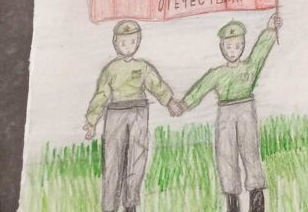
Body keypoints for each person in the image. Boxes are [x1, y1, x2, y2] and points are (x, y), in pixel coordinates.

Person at [182, 13, 282, 212]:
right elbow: (201, 88)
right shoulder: (218, 73)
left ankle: (257, 205)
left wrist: (271, 29)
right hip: (225, 114)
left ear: (243, 45)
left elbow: (260, 51)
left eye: (237, 46)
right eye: (228, 46)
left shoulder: (250, 67)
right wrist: (184, 104)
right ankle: (232, 205)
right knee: (226, 156)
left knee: (250, 152)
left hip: (246, 111)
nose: (233, 51)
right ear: (222, 47)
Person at [83, 20, 183, 212]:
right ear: (115, 43)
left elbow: (156, 85)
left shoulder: (143, 67)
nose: (127, 46)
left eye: (132, 41)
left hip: (138, 112)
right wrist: (91, 121)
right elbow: (101, 95)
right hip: (115, 114)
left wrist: (169, 101)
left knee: (137, 158)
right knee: (112, 161)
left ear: (138, 42)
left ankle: (130, 204)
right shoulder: (110, 69)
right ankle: (109, 207)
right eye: (123, 42)